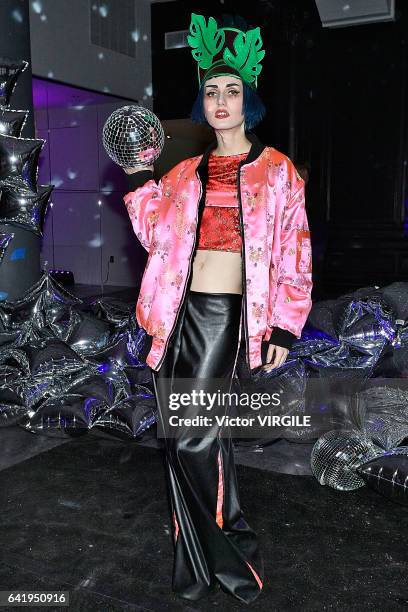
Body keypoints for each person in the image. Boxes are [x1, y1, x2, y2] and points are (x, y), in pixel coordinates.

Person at [122, 13, 313, 604]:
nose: (220, 100)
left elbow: (295, 250)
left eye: (232, 91)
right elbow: (156, 237)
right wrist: (139, 177)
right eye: (211, 91)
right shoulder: (183, 172)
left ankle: (236, 555)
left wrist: (284, 323)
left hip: (227, 317)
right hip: (176, 315)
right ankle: (198, 563)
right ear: (201, 102)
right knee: (184, 435)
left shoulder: (277, 170)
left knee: (193, 437)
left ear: (248, 100)